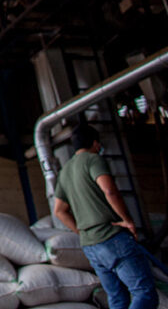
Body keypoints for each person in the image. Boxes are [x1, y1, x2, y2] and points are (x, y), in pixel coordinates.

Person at [53, 123, 157, 309]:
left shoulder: (65, 171)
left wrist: (81, 231)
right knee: (144, 293)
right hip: (112, 236)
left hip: (90, 245)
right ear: (94, 143)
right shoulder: (94, 160)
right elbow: (110, 191)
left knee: (117, 299)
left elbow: (59, 211)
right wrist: (127, 220)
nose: (100, 147)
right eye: (98, 144)